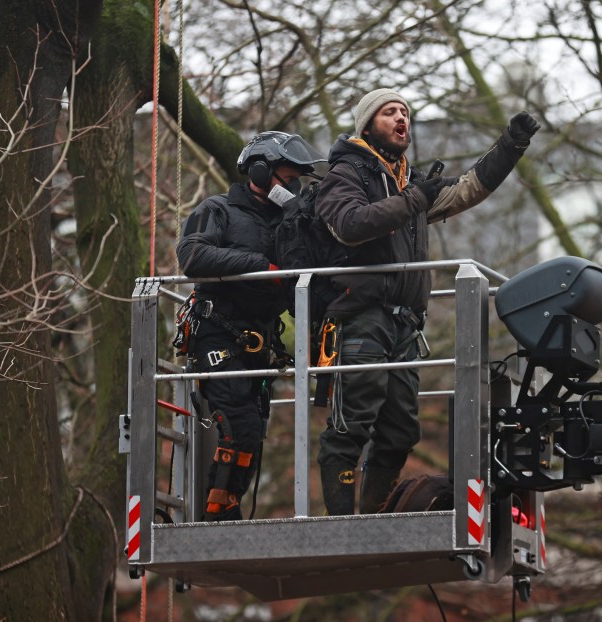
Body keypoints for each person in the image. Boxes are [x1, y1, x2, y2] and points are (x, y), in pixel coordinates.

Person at [314, 88, 541, 515]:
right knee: (351, 424)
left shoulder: (408, 181)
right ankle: (341, 523)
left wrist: (511, 146)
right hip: (361, 316)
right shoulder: (346, 173)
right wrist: (415, 199)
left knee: (400, 431)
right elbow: (349, 224)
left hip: (404, 324)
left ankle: (373, 518)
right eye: (389, 112)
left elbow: (467, 190)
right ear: (367, 124)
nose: (402, 118)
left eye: (405, 112)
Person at [177, 131, 325, 521]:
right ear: (259, 169)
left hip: (260, 342)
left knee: (253, 432)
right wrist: (261, 268)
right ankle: (216, 516)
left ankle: (228, 506)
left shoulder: (289, 223)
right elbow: (192, 255)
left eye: (297, 179)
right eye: (285, 176)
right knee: (238, 425)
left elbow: (304, 278)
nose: (291, 185)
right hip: (218, 331)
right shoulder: (219, 209)